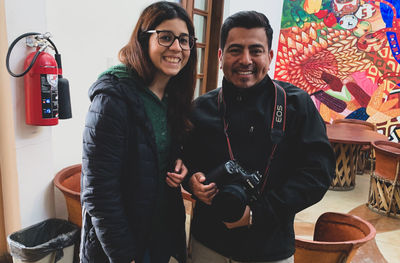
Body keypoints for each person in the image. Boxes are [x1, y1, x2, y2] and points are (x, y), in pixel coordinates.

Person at [183, 11, 335, 263]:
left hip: (270, 248)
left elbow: (318, 174)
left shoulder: (295, 105)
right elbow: (182, 159)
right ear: (220, 57)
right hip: (208, 243)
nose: (246, 60)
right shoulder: (200, 108)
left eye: (256, 50)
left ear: (270, 56)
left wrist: (257, 213)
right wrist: (191, 181)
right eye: (235, 50)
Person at [80, 2, 197, 263]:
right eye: (166, 37)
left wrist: (180, 162)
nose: (177, 47)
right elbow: (98, 190)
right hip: (123, 242)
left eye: (184, 40)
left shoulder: (174, 97)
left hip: (159, 233)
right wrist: (124, 256)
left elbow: (160, 148)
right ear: (144, 40)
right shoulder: (113, 98)